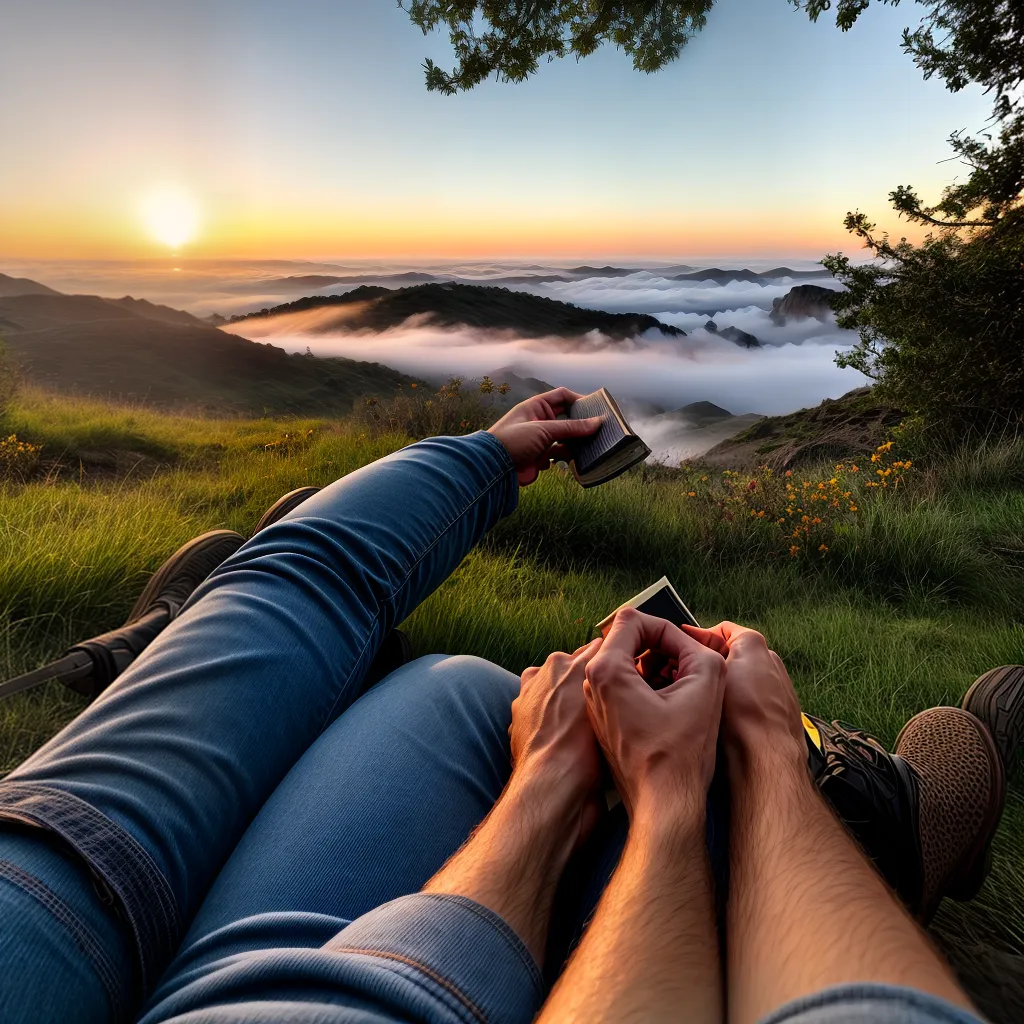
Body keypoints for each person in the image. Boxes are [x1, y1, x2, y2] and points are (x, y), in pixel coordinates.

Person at [0, 387, 1015, 1024]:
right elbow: (305, 579)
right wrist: (616, 777)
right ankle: (872, 818)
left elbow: (301, 578)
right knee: (479, 708)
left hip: (49, 910)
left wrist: (485, 456)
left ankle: (244, 670)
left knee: (435, 684)